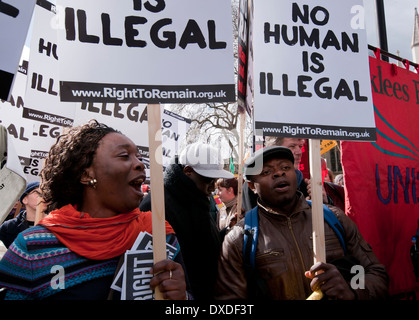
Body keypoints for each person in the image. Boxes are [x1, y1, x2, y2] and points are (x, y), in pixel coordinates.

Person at [0, 121, 189, 300]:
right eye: (124, 156)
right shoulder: (32, 249)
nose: (141, 164)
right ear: (85, 174)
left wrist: (183, 297)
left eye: (139, 158)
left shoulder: (159, 237)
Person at [215, 146, 389, 300]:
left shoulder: (334, 218)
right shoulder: (239, 238)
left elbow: (376, 274)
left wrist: (352, 291)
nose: (279, 173)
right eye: (267, 172)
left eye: (285, 168)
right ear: (252, 186)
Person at [140, 142, 234, 300]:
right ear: (188, 171)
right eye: (208, 180)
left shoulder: (196, 198)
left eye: (215, 181)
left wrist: (227, 232)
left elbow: (203, 244)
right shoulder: (157, 205)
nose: (212, 188)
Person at [242, 137, 307, 212]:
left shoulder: (304, 183)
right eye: (292, 146)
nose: (299, 152)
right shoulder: (256, 182)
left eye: (300, 146)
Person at [0, 181, 40, 248]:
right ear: (24, 199)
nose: (42, 197)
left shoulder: (54, 226)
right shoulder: (8, 227)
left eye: (46, 194)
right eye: (37, 193)